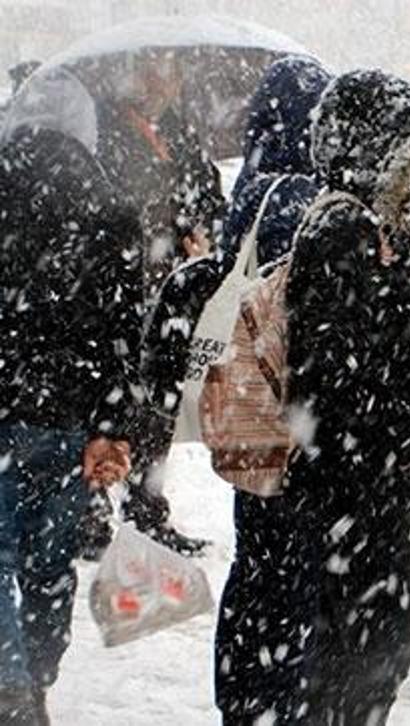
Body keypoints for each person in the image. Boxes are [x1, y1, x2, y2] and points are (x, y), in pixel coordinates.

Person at [280, 69, 410, 725]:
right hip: (354, 491)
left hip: (356, 489)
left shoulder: (356, 226)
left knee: (361, 661)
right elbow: (349, 377)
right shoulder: (348, 233)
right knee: (357, 663)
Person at [0, 124, 143, 725]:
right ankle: (37, 674)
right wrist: (111, 425)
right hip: (70, 424)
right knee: (48, 562)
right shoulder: (110, 215)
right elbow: (123, 334)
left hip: (5, 414)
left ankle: (11, 682)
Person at [205, 55, 333, 726]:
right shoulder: (299, 197)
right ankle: (270, 695)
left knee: (254, 559)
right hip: (282, 408)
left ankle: (241, 693)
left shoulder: (252, 184)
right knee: (286, 571)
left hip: (245, 405)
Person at [75, 50, 225, 559]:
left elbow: (208, 196)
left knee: (157, 405)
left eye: (171, 69)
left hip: (169, 293)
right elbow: (101, 207)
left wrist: (200, 230)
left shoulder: (179, 133)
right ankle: (93, 503)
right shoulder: (102, 131)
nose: (164, 80)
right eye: (153, 69)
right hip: (118, 288)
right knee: (107, 396)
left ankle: (146, 507)